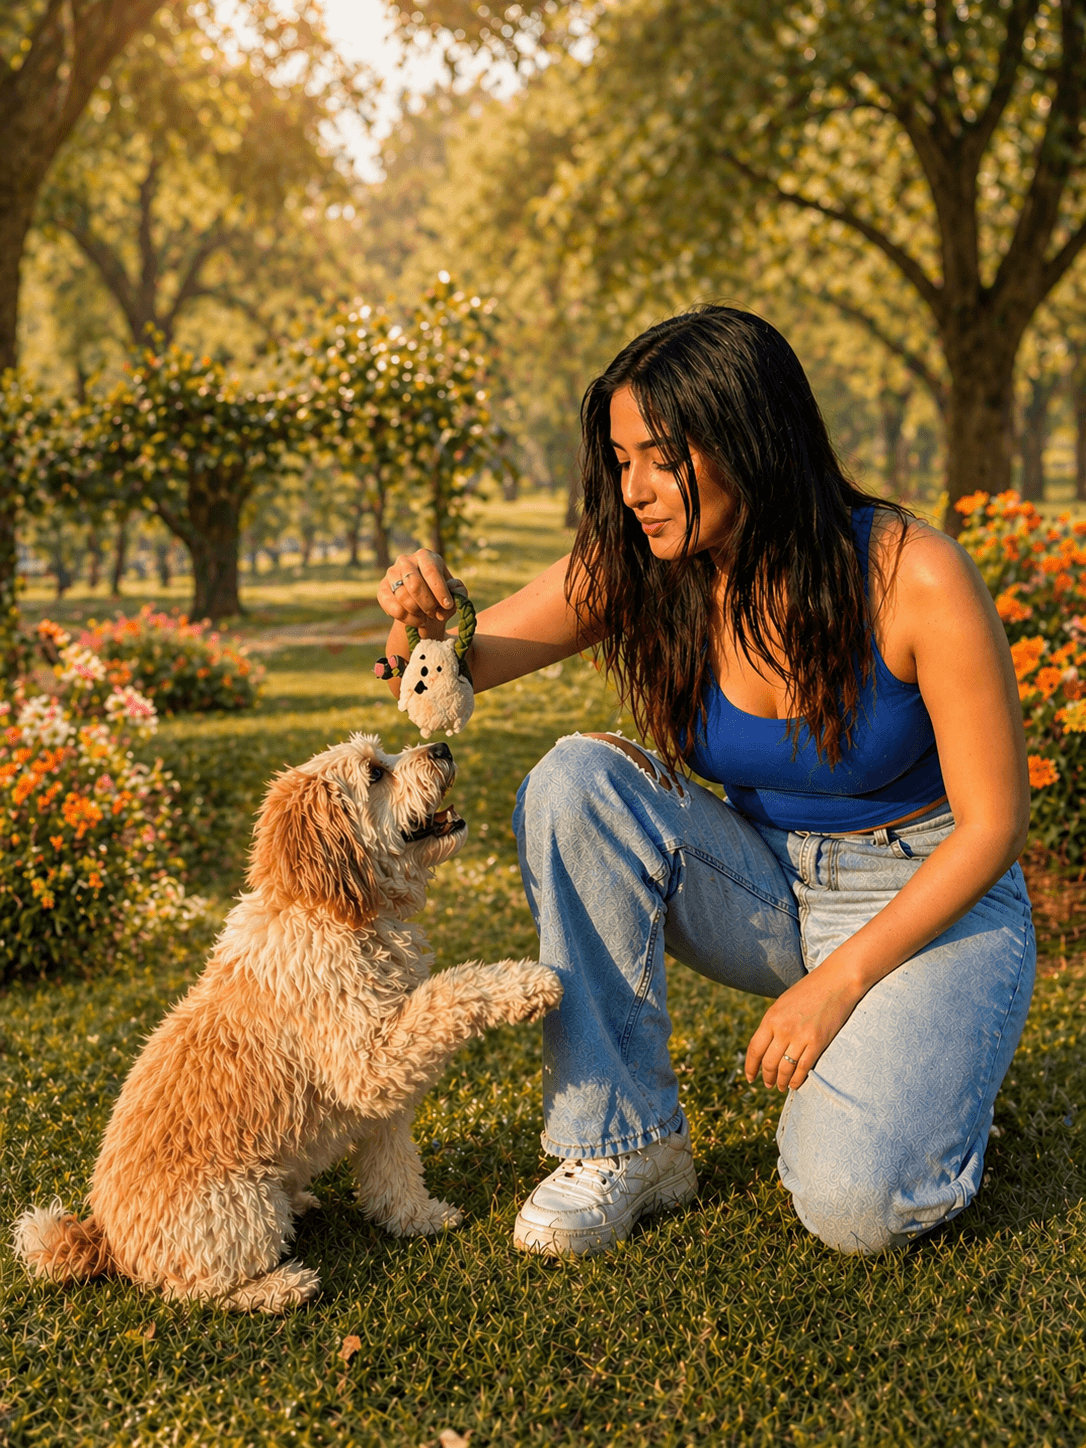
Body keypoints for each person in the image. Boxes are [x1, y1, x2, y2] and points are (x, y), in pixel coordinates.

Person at [378, 306, 1035, 1258]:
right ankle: (629, 1144)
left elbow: (995, 825)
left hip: (934, 894)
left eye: (661, 456)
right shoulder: (649, 563)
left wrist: (841, 985)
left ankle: (942, 1095)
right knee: (575, 783)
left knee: (856, 1207)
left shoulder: (910, 574)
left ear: (749, 439)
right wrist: (420, 622)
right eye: (620, 458)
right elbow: (453, 665)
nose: (635, 489)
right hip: (769, 882)